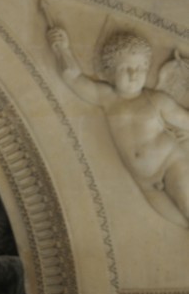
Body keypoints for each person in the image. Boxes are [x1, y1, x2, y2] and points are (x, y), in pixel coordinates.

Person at [46, 18, 189, 227]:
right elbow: (74, 78)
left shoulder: (156, 100)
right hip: (145, 183)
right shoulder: (108, 98)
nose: (133, 74)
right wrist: (62, 48)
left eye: (140, 68)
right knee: (182, 224)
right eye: (125, 68)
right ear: (109, 72)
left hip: (171, 164)